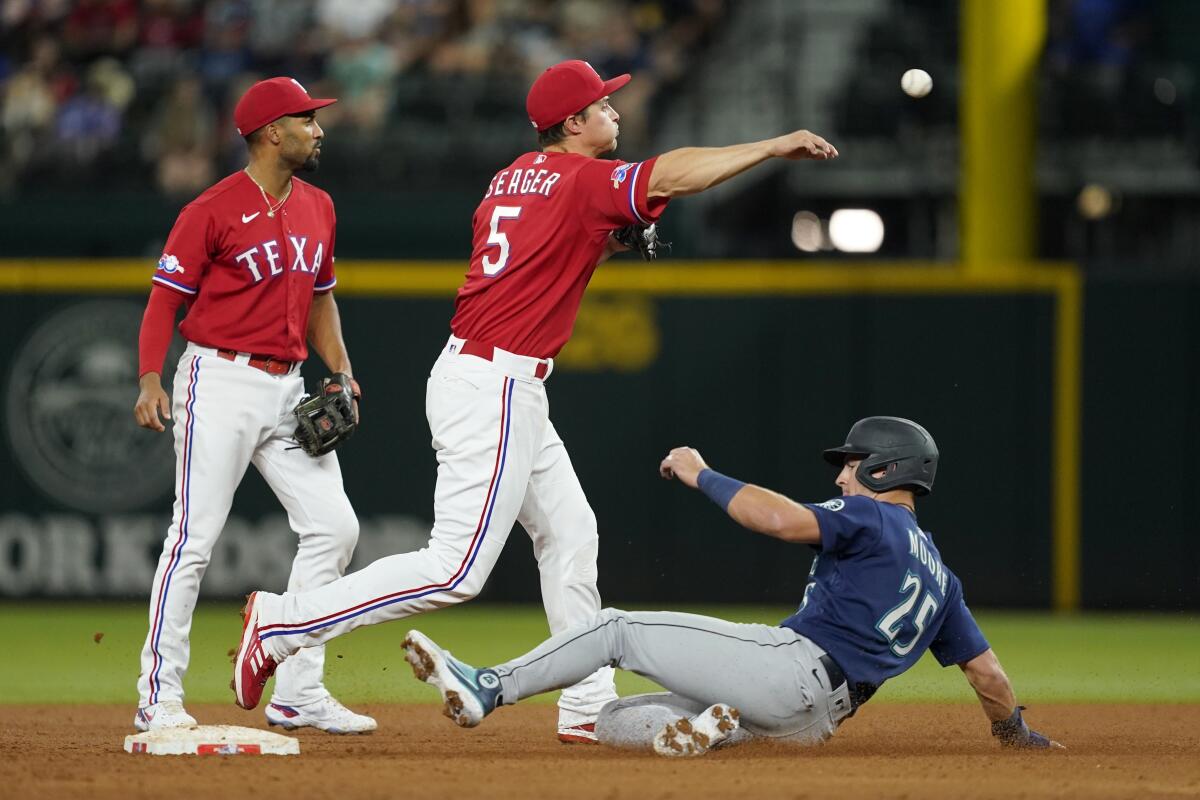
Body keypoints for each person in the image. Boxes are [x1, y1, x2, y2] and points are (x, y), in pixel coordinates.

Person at [231, 59, 838, 744]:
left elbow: (542, 257)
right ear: (573, 124)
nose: (615, 112)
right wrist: (770, 145)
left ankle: (585, 703)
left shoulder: (512, 177)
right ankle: (285, 624)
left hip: (497, 379)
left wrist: (602, 246)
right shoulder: (582, 178)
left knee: (571, 533)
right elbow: (671, 174)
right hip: (492, 385)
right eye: (603, 106)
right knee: (455, 569)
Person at [399, 417, 1064, 757]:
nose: (842, 478)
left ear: (888, 471)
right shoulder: (941, 578)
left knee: (613, 629)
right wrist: (1015, 736)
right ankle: (703, 731)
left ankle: (490, 686)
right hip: (814, 724)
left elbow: (776, 519)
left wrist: (701, 473)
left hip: (792, 667)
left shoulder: (870, 514)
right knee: (608, 720)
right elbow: (987, 674)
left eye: (854, 465)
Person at [132, 77, 374, 735]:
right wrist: (151, 379)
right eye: (306, 119)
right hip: (220, 381)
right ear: (272, 132)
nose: (318, 129)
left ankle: (298, 690)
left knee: (336, 527)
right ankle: (159, 696)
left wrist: (342, 369)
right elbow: (164, 301)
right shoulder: (211, 209)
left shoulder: (319, 206)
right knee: (194, 538)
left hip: (287, 387)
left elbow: (323, 297)